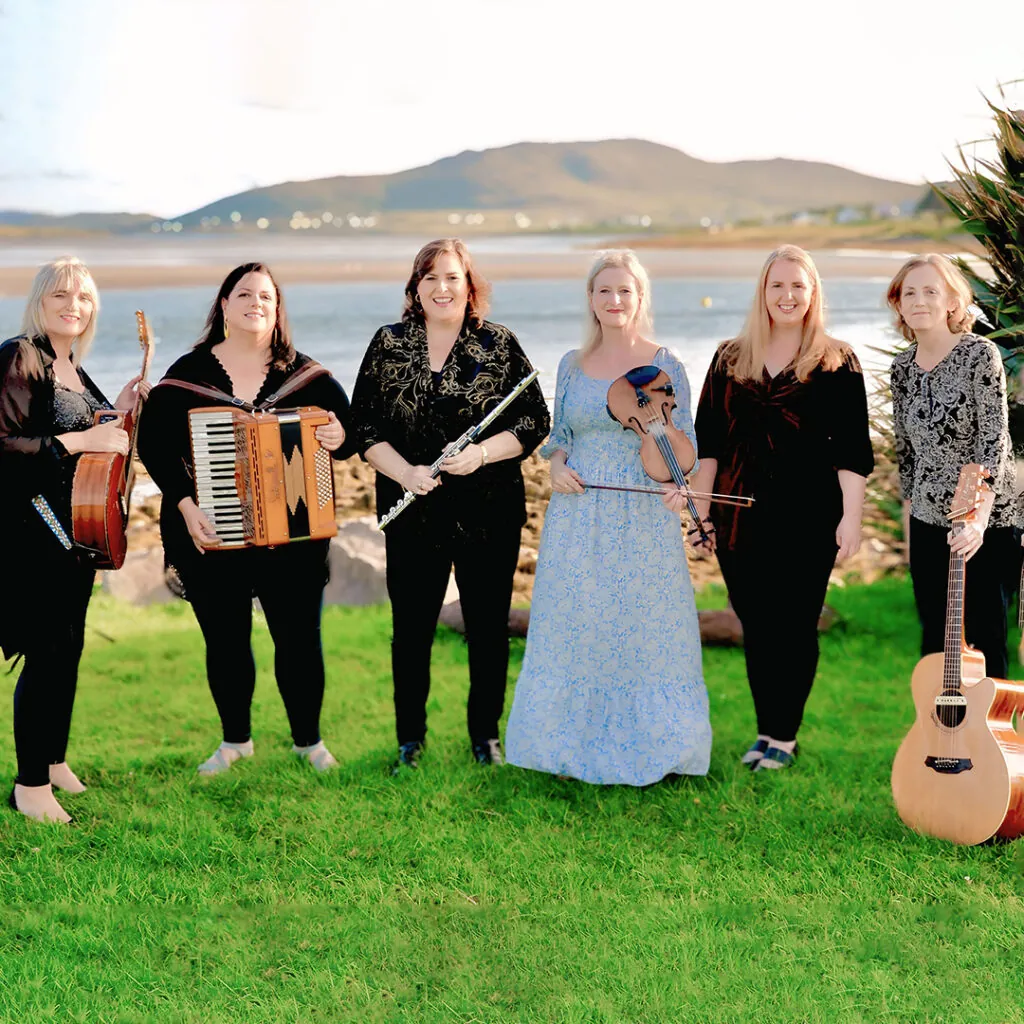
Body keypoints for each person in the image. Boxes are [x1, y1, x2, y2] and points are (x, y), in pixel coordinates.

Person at [137, 262, 354, 775]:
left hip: (294, 538)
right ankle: (235, 741)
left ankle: (309, 743)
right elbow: (154, 445)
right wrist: (186, 504)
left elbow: (351, 434)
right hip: (210, 530)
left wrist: (340, 436)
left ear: (277, 310)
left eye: (265, 297)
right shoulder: (188, 376)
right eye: (244, 295)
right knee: (226, 641)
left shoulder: (309, 377)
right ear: (224, 305)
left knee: (300, 641)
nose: (255, 303)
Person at [504, 250, 712, 785]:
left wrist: (678, 484)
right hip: (578, 512)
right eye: (604, 291)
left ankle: (658, 747)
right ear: (591, 300)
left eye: (625, 290)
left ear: (640, 297)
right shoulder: (571, 364)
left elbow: (683, 438)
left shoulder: (665, 364)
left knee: (645, 625)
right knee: (577, 622)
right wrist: (556, 466)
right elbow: (560, 436)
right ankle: (565, 746)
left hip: (641, 511)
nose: (614, 300)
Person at [349, 238, 549, 770]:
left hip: (489, 509)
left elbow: (534, 419)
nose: (442, 287)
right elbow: (362, 424)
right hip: (412, 509)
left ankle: (485, 737)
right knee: (411, 631)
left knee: (488, 628)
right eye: (430, 277)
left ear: (469, 285)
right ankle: (409, 740)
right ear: (415, 286)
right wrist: (405, 473)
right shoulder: (389, 343)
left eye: (452, 277)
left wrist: (481, 454)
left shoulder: (498, 343)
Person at [691, 245, 873, 771]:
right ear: (763, 292)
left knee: (795, 626)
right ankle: (765, 729)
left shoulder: (837, 360)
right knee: (757, 625)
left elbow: (853, 451)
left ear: (813, 293)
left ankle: (785, 736)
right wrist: (700, 514)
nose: (787, 295)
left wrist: (852, 518)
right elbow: (708, 444)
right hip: (737, 516)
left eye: (798, 285)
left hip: (810, 518)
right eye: (778, 285)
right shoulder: (729, 357)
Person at [0, 257, 146, 822]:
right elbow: (6, 446)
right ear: (39, 301)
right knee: (45, 654)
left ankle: (53, 760)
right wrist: (83, 440)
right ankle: (30, 786)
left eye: (83, 297)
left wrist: (120, 411)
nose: (73, 306)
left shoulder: (74, 369)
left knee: (67, 650)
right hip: (32, 532)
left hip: (75, 534)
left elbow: (97, 433)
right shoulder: (21, 356)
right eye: (59, 295)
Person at [887, 253, 1020, 679]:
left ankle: (992, 724)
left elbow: (994, 439)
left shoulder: (980, 354)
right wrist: (911, 519)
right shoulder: (901, 368)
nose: (919, 300)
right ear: (898, 304)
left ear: (951, 302)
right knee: (935, 643)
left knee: (986, 641)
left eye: (931, 291)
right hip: (928, 521)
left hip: (987, 522)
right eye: (909, 292)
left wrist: (977, 520)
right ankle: (939, 722)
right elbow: (906, 451)